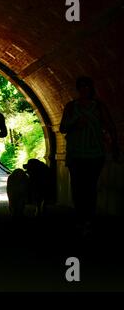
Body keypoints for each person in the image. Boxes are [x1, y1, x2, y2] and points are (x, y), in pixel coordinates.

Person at [60, 76, 118, 235]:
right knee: (78, 188)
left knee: (90, 187)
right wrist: (74, 124)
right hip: (76, 154)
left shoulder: (99, 107)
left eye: (87, 87)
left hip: (94, 154)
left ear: (91, 89)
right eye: (82, 87)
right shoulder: (71, 107)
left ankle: (88, 220)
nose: (85, 90)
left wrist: (114, 147)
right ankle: (80, 218)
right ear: (78, 89)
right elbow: (63, 127)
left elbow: (110, 126)